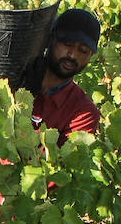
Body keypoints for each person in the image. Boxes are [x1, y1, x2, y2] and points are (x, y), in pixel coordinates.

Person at [21, 7, 102, 141]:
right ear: (50, 38)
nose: (72, 55)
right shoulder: (13, 76)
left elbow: (53, 160)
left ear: (90, 56)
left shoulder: (84, 112)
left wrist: (27, 102)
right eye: (67, 44)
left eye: (83, 51)